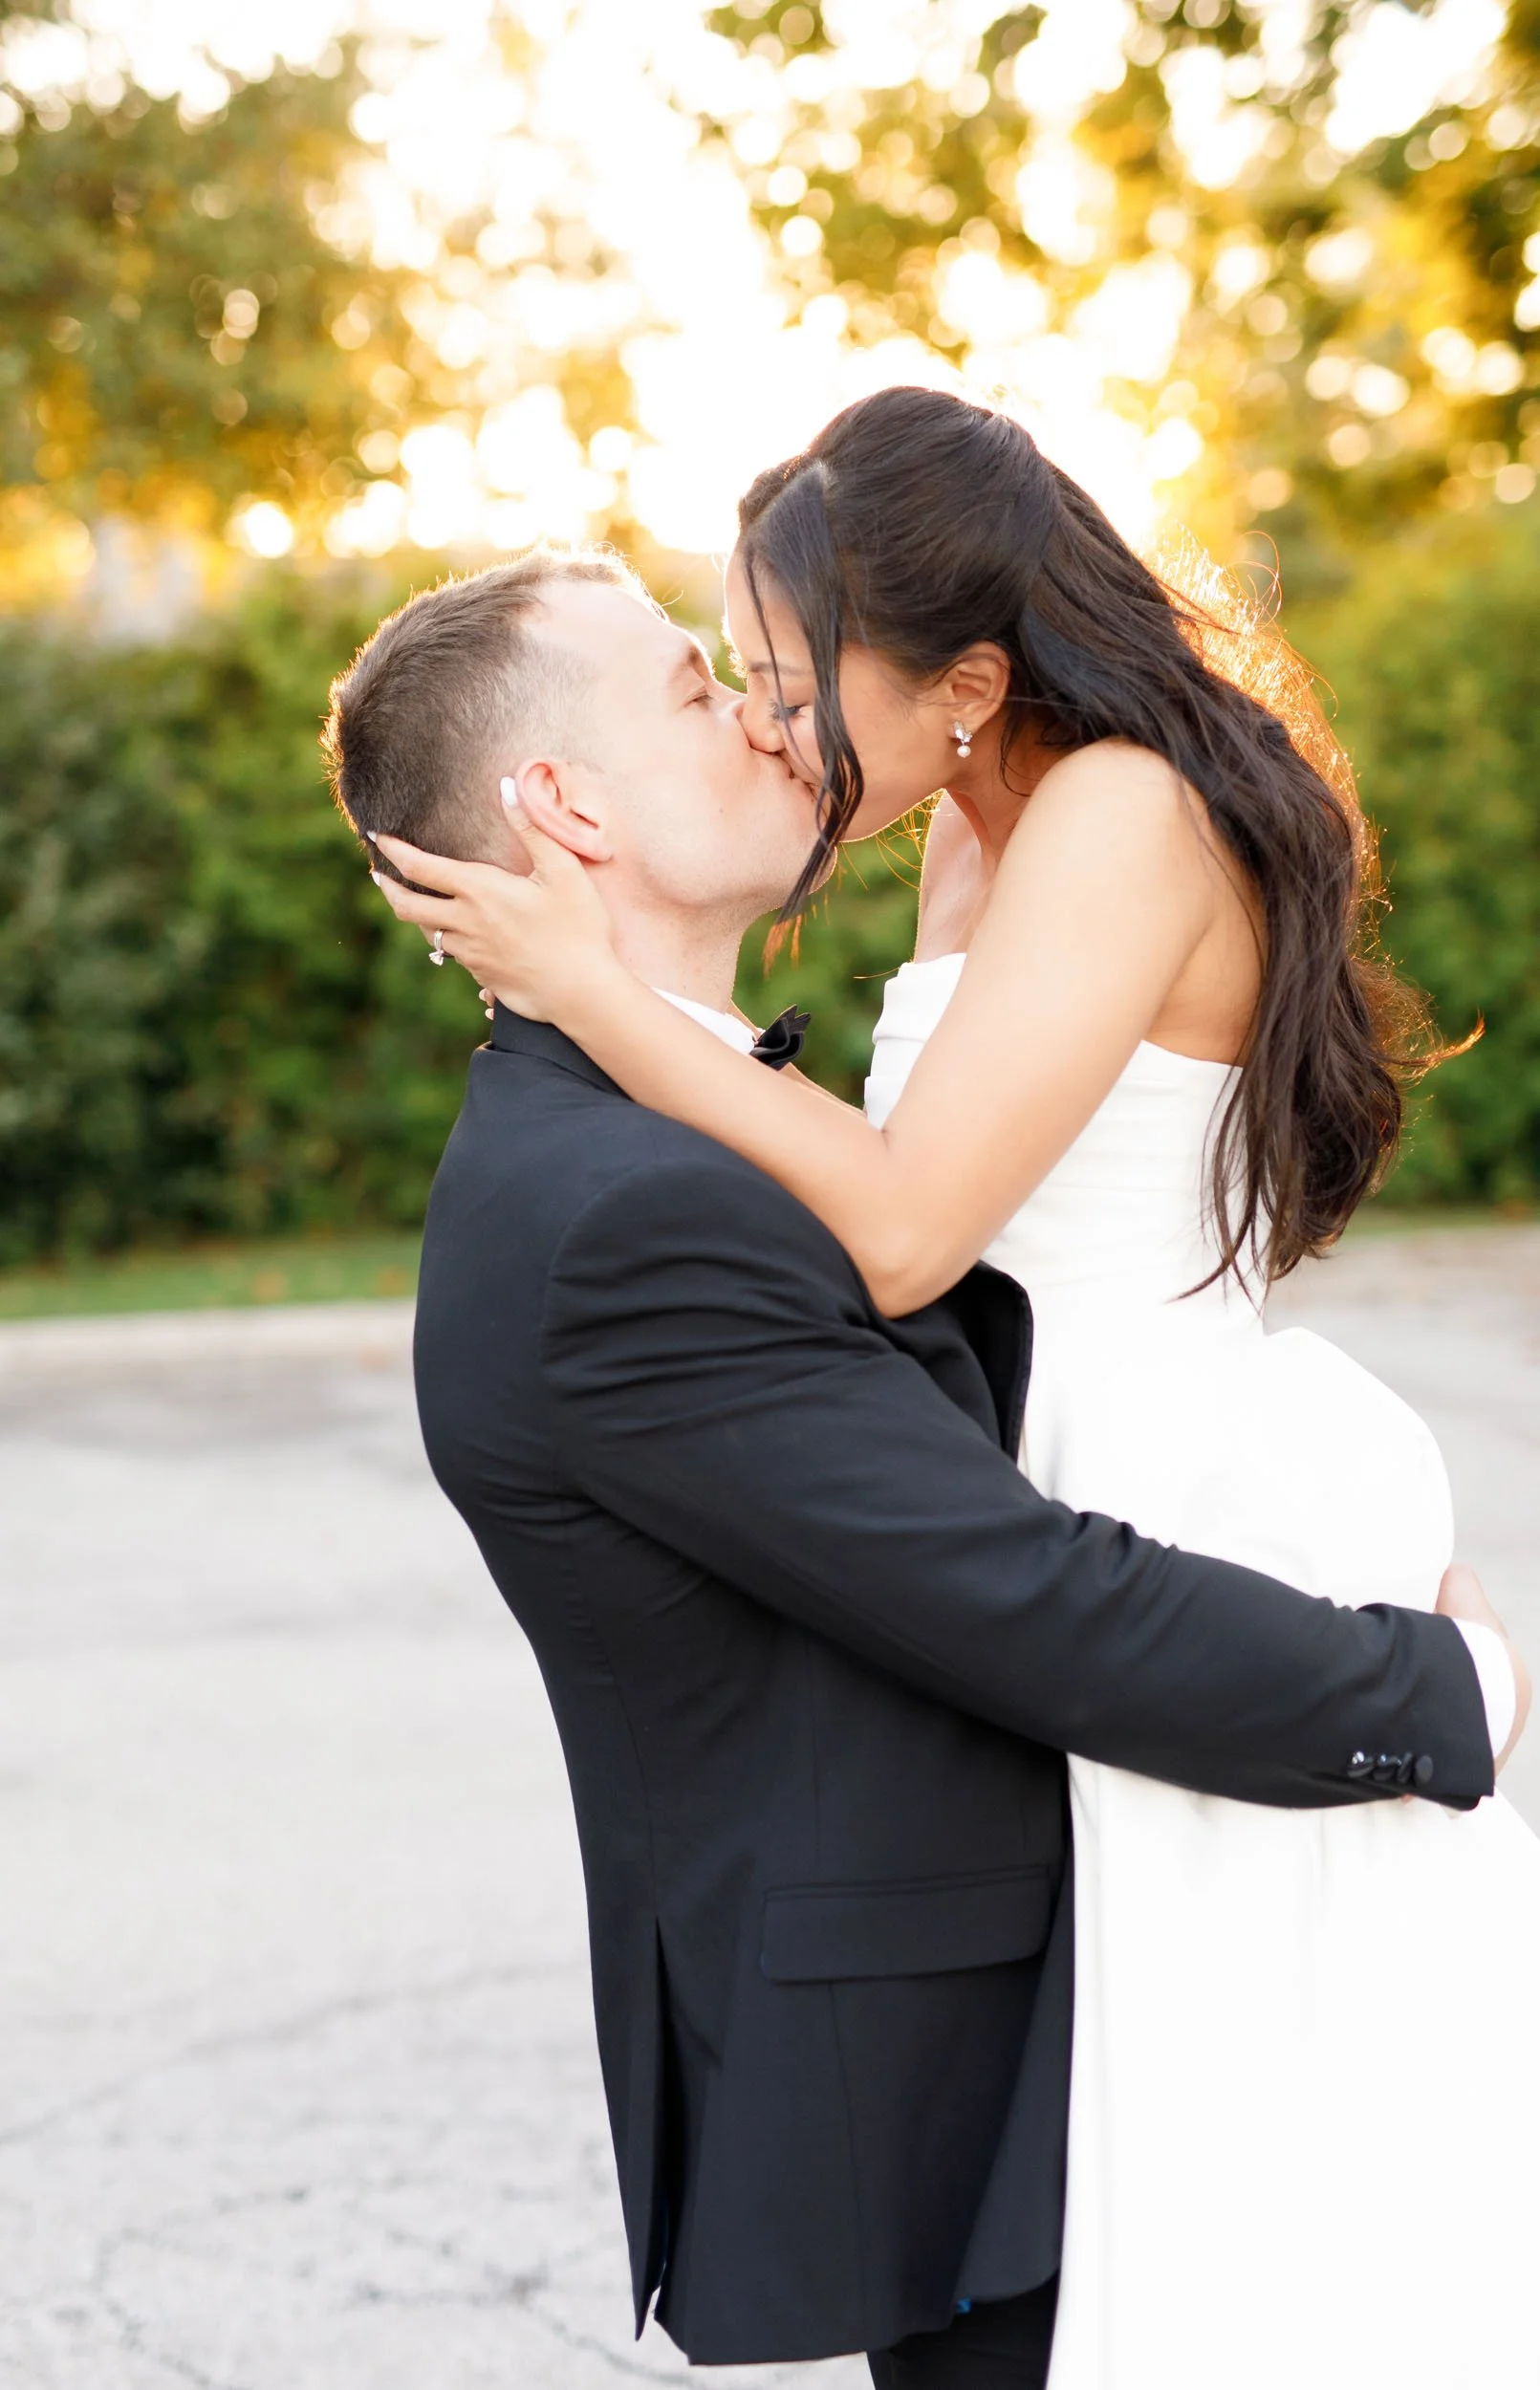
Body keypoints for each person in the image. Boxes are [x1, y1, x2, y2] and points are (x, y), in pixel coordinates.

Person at [333, 533, 1524, 2390]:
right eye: (693, 688)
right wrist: (1436, 1688)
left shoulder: (674, 1132)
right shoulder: (620, 1221)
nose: (760, 713)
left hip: (1097, 1975)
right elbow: (1020, 1596)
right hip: (979, 2092)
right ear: (560, 804)